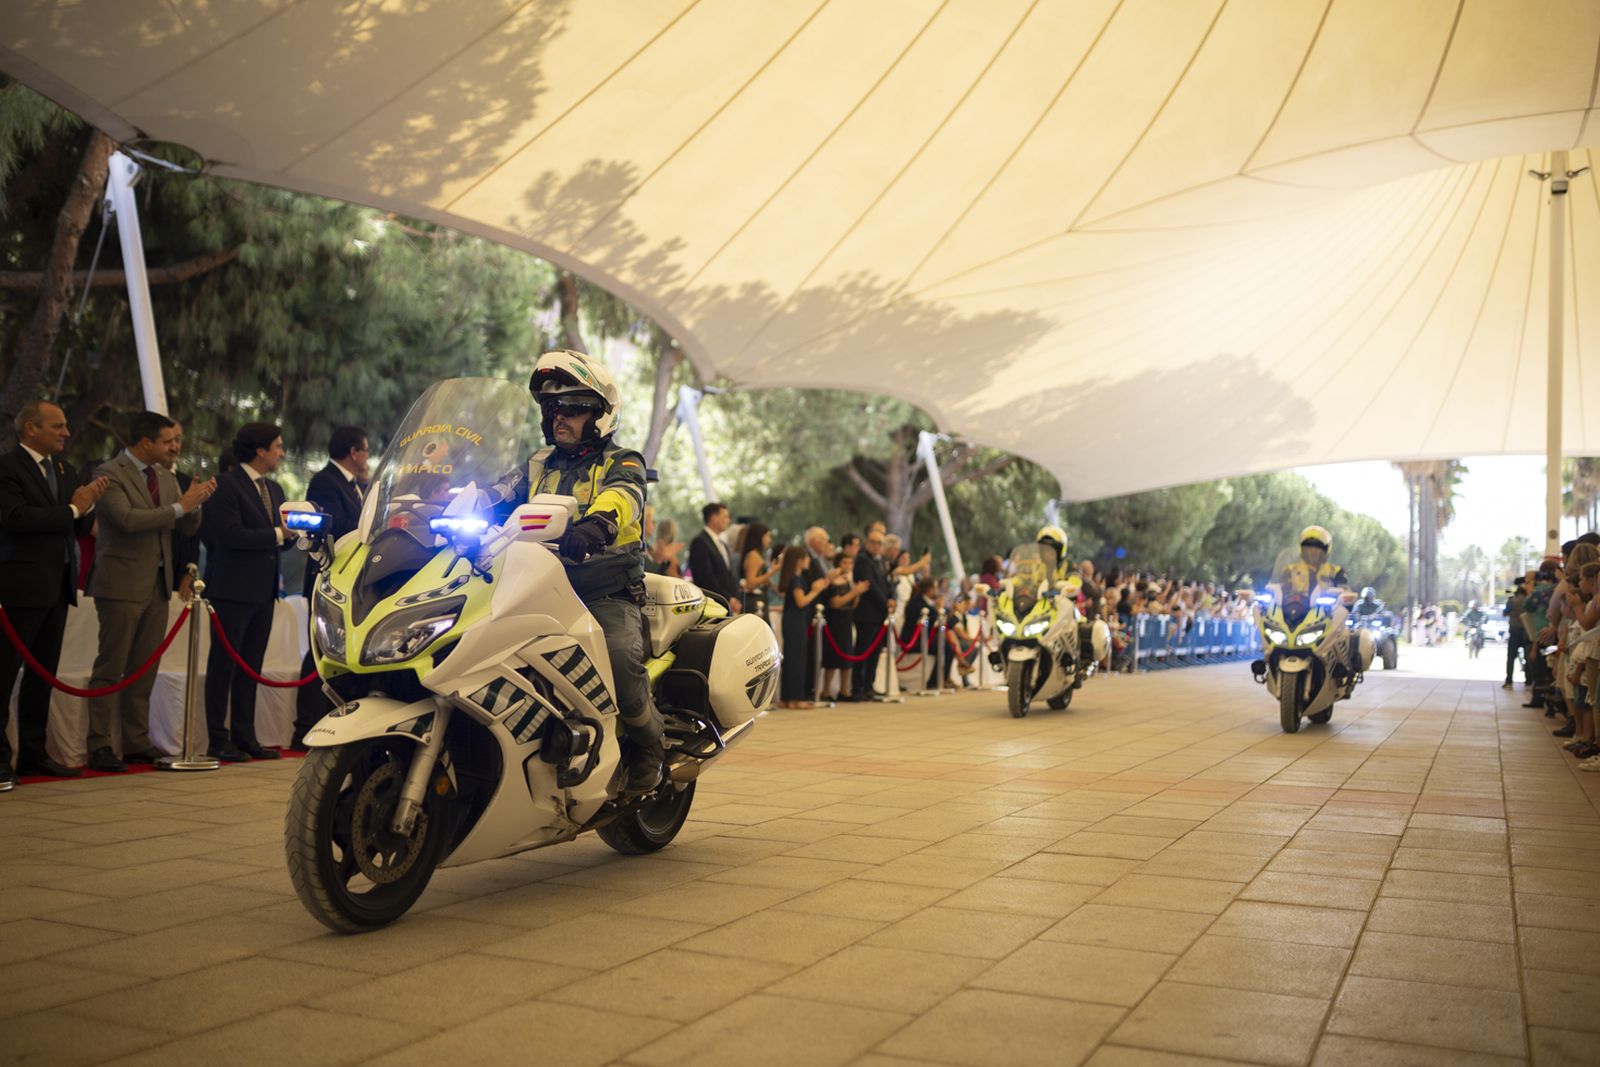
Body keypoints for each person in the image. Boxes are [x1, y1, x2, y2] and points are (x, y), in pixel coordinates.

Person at [520, 349, 663, 794]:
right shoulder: (536, 465)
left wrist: (598, 523)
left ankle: (650, 747)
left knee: (620, 663)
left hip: (604, 592)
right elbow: (490, 496)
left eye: (575, 408)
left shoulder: (623, 460)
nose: (561, 416)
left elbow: (624, 495)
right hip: (535, 588)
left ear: (600, 415)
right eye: (554, 407)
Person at [85, 411, 213, 771]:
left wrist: (194, 505)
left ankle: (136, 740)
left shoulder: (164, 476)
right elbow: (127, 520)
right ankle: (99, 744)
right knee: (111, 666)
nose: (175, 447)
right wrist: (179, 506)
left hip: (158, 585)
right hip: (121, 583)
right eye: (168, 441)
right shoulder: (109, 473)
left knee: (144, 668)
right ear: (146, 442)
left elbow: (184, 528)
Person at [0, 401, 107, 785]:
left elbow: (76, 524)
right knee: (4, 673)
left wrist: (87, 507)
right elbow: (14, 519)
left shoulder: (63, 469)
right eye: (57, 426)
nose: (66, 433)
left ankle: (33, 753)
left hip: (58, 586)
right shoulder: (8, 468)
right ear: (31, 429)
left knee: (42, 675)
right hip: (19, 587)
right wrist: (74, 510)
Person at [201, 422, 291, 762]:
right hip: (231, 591)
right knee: (223, 666)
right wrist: (279, 535)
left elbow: (275, 542)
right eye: (278, 446)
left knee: (251, 667)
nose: (281, 453)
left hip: (264, 591)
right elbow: (230, 536)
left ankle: (245, 735)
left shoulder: (276, 489)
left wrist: (291, 537)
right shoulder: (226, 486)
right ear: (260, 450)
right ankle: (216, 739)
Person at [291, 425, 369, 749]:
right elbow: (335, 524)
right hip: (329, 575)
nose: (367, 458)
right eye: (364, 450)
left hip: (351, 577)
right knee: (320, 650)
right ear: (353, 452)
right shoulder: (325, 481)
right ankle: (305, 726)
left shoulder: (355, 485)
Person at [777, 546, 830, 708]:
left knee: (792, 657)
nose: (809, 561)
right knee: (797, 658)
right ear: (799, 560)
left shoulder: (794, 578)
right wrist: (816, 591)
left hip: (793, 619)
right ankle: (796, 698)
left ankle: (788, 698)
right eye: (806, 558)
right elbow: (801, 601)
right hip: (796, 620)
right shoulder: (796, 579)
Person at [851, 524, 893, 701]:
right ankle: (858, 687)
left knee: (875, 651)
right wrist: (885, 602)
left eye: (880, 543)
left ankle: (869, 685)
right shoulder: (862, 559)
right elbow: (870, 586)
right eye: (874, 542)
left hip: (879, 613)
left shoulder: (879, 560)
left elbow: (885, 582)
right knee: (863, 650)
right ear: (867, 542)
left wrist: (891, 598)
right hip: (867, 614)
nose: (877, 546)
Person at [688, 502, 740, 612]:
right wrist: (727, 598)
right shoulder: (700, 542)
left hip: (727, 604)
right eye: (725, 516)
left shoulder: (722, 544)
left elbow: (728, 575)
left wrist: (734, 597)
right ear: (713, 518)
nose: (728, 520)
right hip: (713, 604)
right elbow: (705, 577)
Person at [737, 523, 777, 621]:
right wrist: (772, 571)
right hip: (754, 601)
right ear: (759, 537)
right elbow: (750, 583)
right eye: (767, 536)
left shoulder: (756, 555)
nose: (769, 540)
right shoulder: (753, 555)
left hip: (758, 599)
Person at [644, 507, 682, 577]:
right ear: (644, 521)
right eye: (652, 520)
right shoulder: (640, 546)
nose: (654, 524)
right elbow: (648, 571)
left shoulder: (648, 546)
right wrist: (661, 559)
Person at [1506, 577, 1529, 689]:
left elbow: (1505, 612)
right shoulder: (1528, 600)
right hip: (1526, 630)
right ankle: (1528, 680)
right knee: (1528, 656)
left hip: (1514, 630)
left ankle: (1509, 680)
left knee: (1511, 657)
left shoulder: (1511, 600)